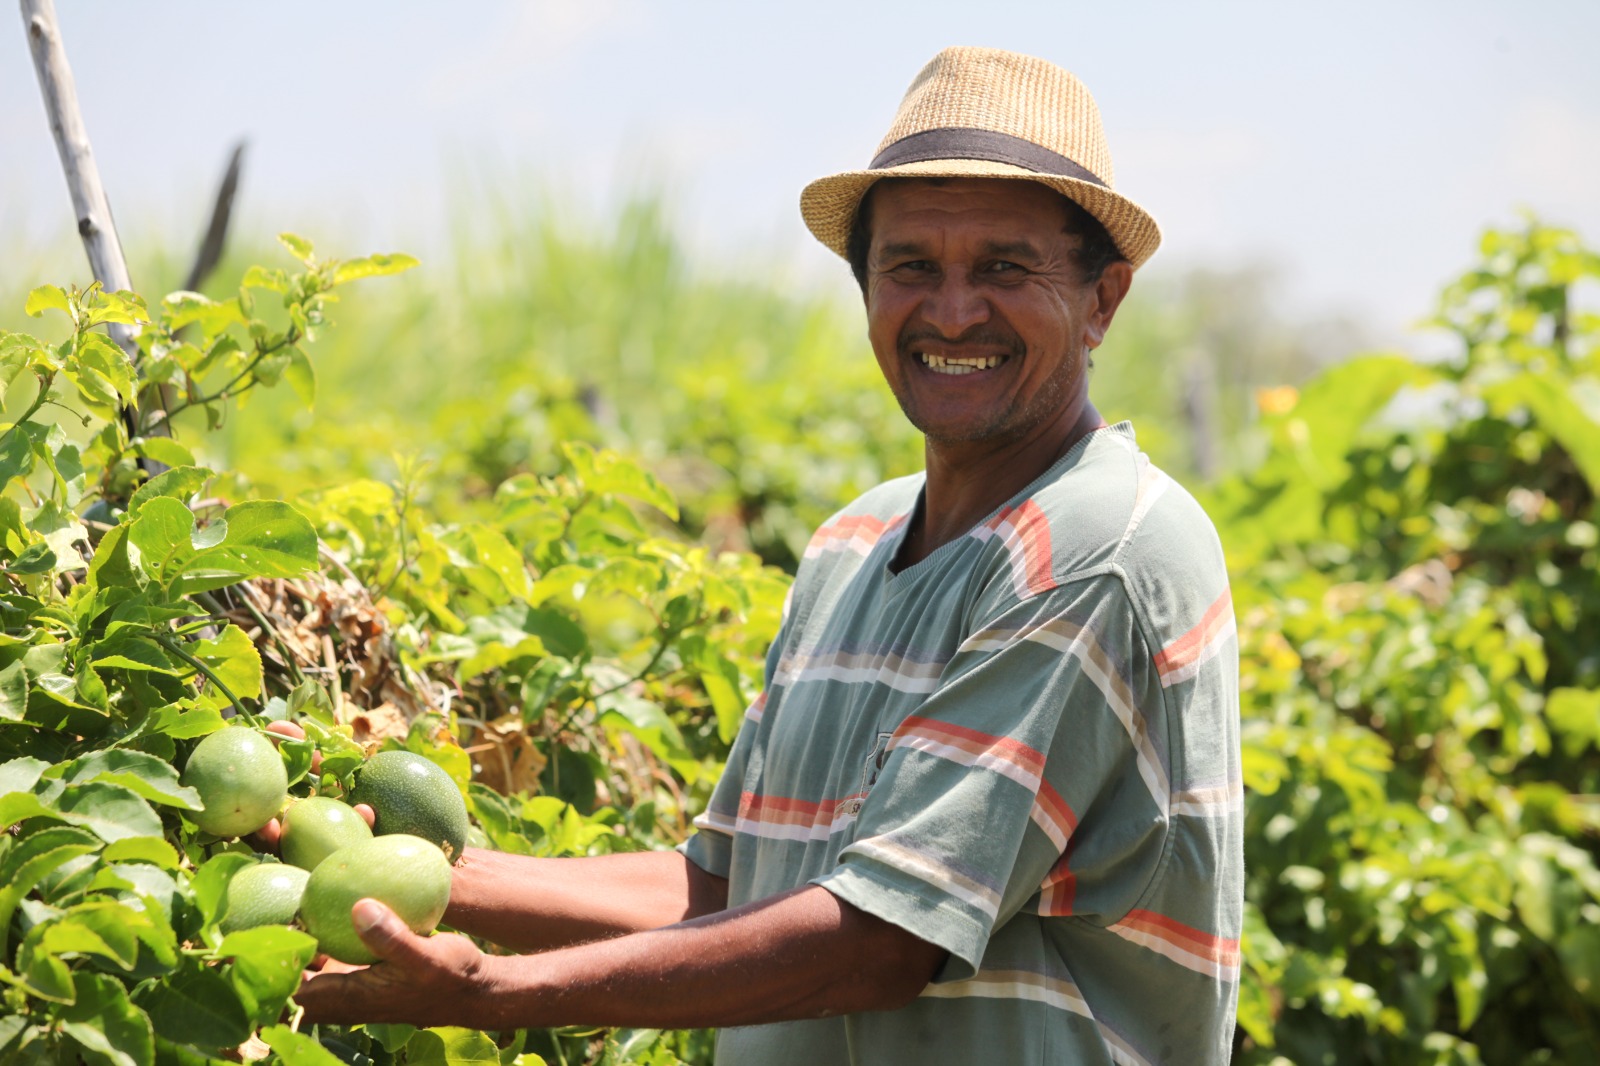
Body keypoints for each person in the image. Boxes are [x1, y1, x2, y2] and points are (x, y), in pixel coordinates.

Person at [297, 46, 1243, 1065]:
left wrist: (500, 990)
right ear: (865, 285)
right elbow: (721, 889)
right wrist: (425, 876)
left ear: (1102, 298)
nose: (954, 309)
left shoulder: (1102, 544)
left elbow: (882, 941)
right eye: (911, 265)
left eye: (1004, 267)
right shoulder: (850, 548)